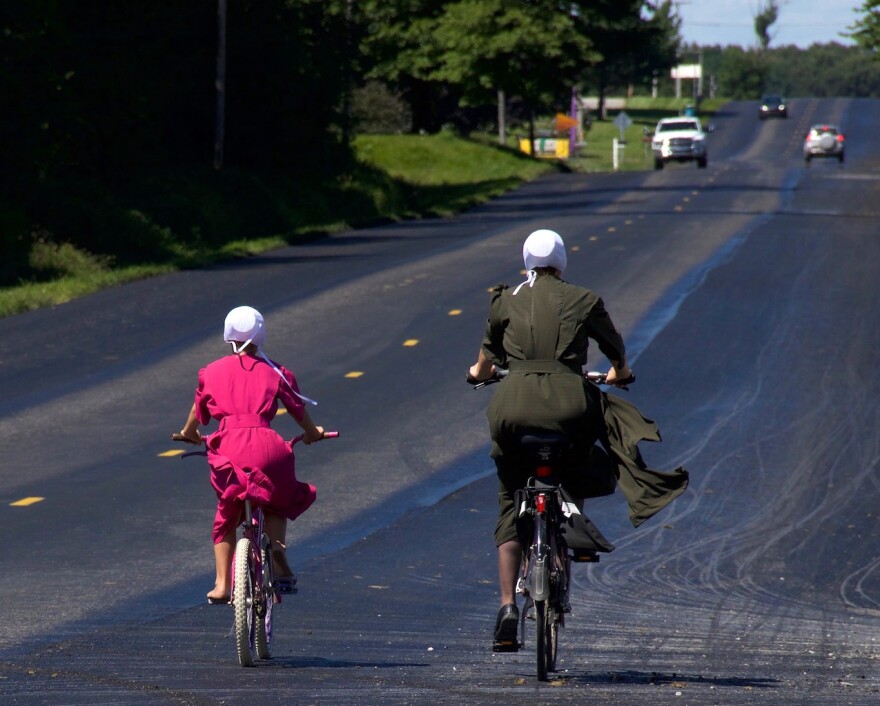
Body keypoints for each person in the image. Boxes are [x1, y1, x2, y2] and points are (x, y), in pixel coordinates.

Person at [468, 229, 688, 651]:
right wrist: (620, 372)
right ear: (563, 261)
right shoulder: (584, 299)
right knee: (581, 456)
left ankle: (506, 607)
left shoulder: (506, 299)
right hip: (571, 404)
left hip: (512, 410)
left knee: (509, 496)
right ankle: (570, 527)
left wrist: (478, 374)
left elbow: (486, 357)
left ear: (525, 261)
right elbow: (614, 347)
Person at [174, 305, 327, 604]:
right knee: (277, 499)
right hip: (268, 446)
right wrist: (312, 433)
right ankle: (278, 549)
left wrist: (189, 433)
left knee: (227, 512)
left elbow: (197, 410)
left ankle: (221, 584)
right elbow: (298, 410)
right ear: (261, 335)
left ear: (227, 336)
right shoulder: (277, 371)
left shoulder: (211, 371)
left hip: (229, 446)